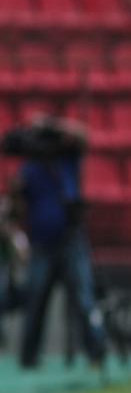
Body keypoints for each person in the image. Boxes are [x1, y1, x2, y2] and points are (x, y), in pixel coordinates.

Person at [5, 115, 108, 369]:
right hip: (41, 244)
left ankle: (95, 352)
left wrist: (51, 125)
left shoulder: (67, 158)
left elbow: (84, 136)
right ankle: (29, 358)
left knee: (83, 298)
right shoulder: (29, 169)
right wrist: (16, 192)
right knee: (35, 301)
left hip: (71, 241)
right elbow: (17, 209)